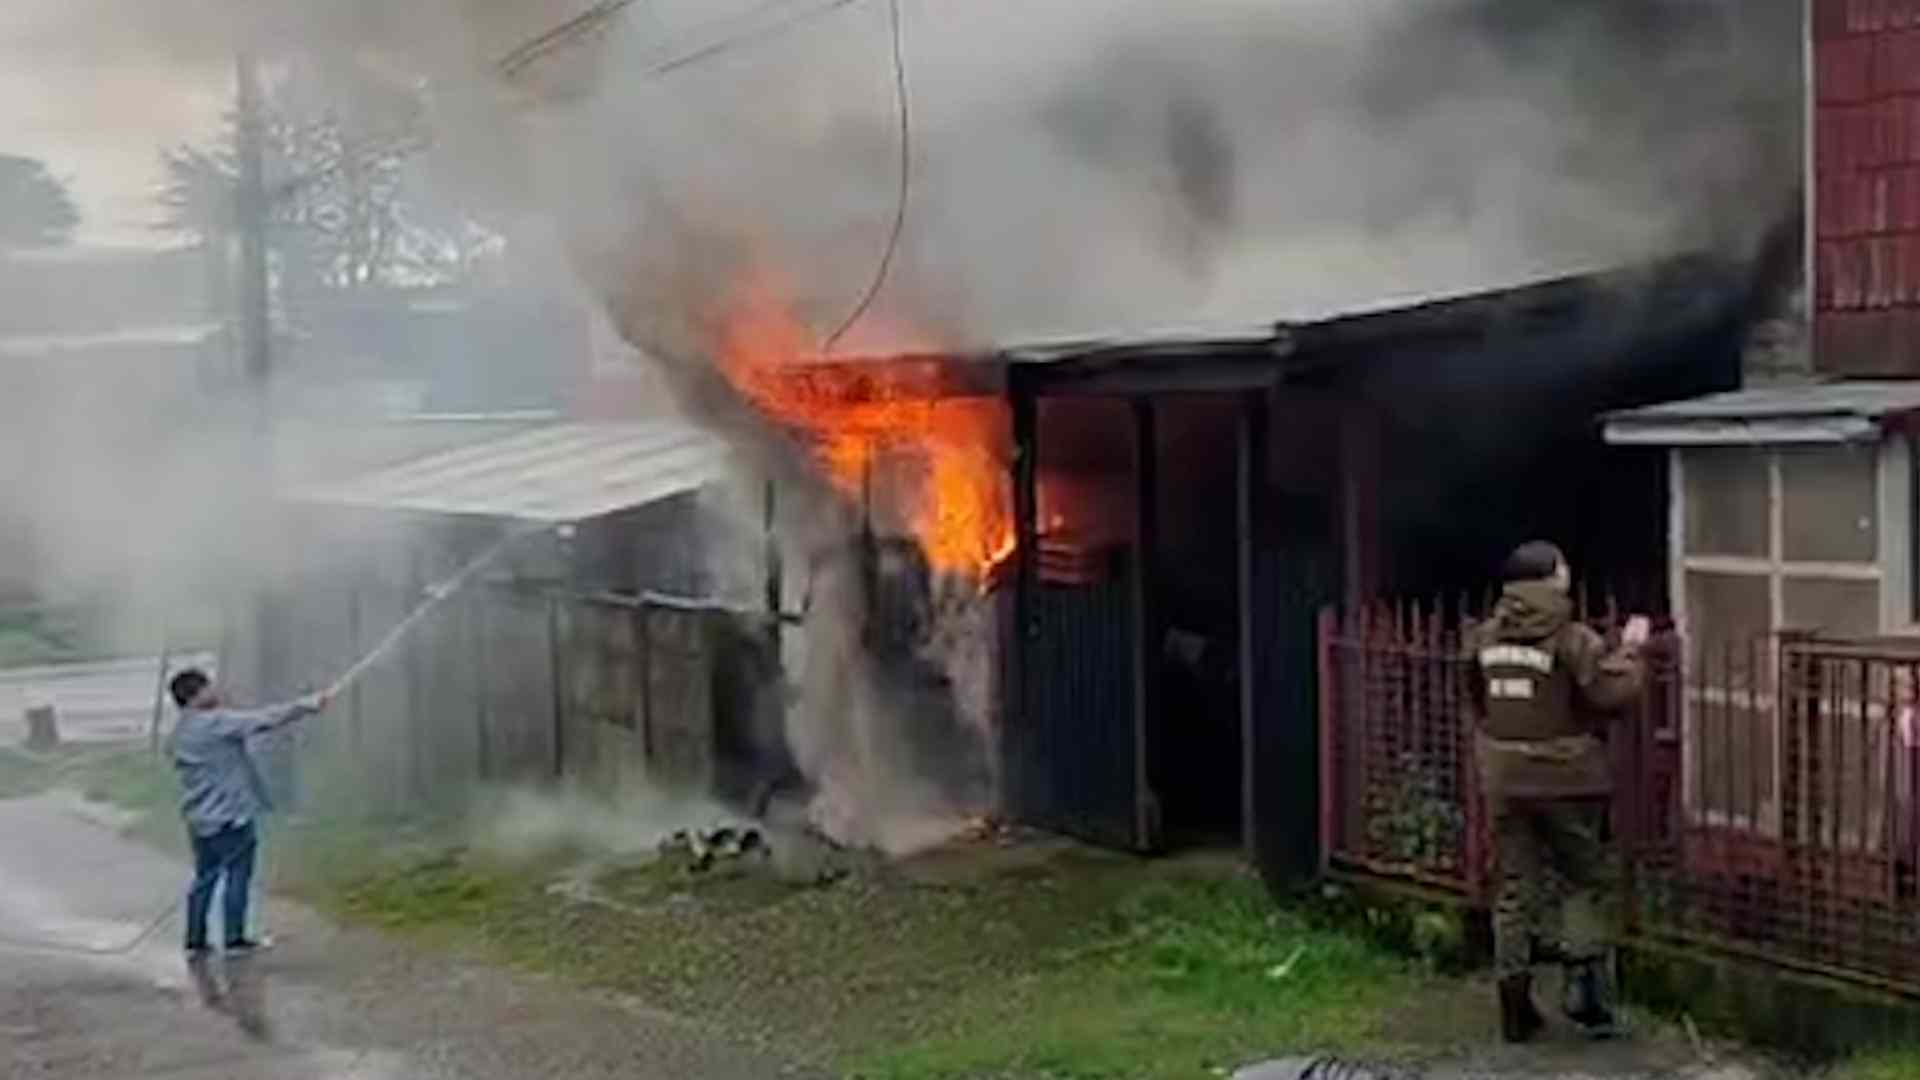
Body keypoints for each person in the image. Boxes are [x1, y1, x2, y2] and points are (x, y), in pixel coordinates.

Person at [1466, 542, 1647, 1043]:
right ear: (1551, 578)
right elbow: (1611, 693)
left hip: (1504, 778)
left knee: (1515, 888)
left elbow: (1477, 700)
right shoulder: (1573, 640)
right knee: (1584, 879)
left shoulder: (1482, 638)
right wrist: (1631, 649)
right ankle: (1585, 995)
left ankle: (1514, 1005)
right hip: (1569, 780)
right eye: (1563, 567)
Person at [167, 668, 331, 957]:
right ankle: (234, 939)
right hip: (231, 817)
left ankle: (195, 941)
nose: (215, 691)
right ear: (195, 696)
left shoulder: (181, 732)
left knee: (204, 878)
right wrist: (306, 706)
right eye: (208, 688)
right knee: (237, 877)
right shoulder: (214, 723)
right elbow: (263, 720)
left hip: (199, 819)